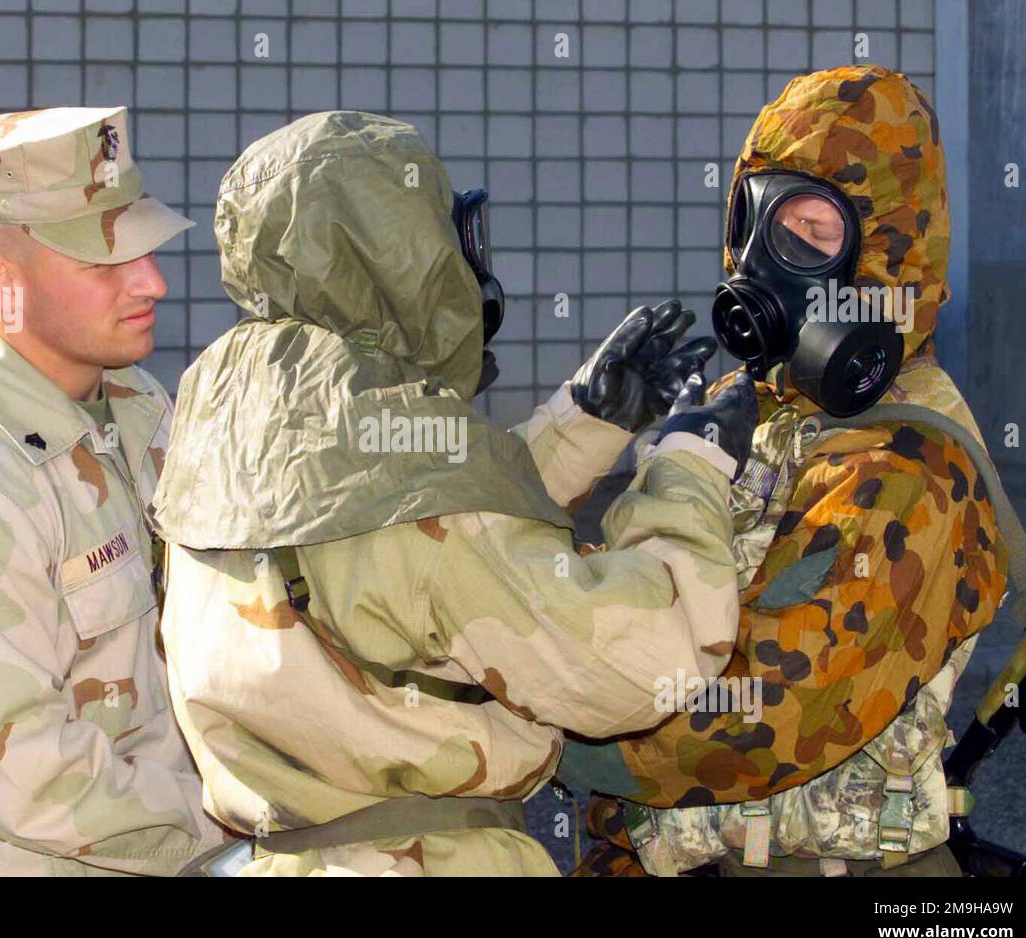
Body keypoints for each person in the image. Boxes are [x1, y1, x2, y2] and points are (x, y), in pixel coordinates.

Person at [151, 110, 759, 876]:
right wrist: (688, 469)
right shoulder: (412, 467)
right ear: (404, 253)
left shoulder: (227, 417)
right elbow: (637, 667)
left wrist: (582, 423)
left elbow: (406, 555)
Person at [559, 65, 1010, 877]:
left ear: (883, 257)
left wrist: (532, 720)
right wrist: (578, 438)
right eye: (757, 217)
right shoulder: (752, 408)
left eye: (813, 230)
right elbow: (636, 598)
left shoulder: (914, 461)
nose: (770, 258)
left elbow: (764, 709)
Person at [0, 106, 227, 875]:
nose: (153, 280)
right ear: (4, 285)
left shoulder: (134, 403)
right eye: (105, 262)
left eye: (146, 246)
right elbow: (21, 775)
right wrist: (238, 819)